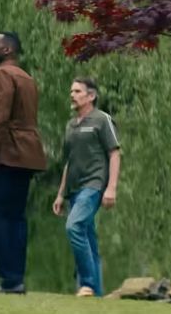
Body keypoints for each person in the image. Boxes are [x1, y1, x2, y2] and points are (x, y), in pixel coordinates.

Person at [0, 31, 47, 295]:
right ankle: (15, 277)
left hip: (6, 153)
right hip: (27, 154)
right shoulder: (27, 78)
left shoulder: (1, 75)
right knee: (15, 217)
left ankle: (10, 278)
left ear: (7, 50)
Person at [52, 76, 121, 297]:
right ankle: (96, 294)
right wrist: (61, 194)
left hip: (94, 184)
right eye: (71, 91)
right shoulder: (70, 125)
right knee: (89, 240)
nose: (72, 95)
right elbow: (68, 162)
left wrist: (111, 188)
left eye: (77, 91)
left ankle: (88, 284)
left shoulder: (102, 120)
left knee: (74, 227)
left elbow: (114, 153)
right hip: (74, 189)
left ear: (91, 96)